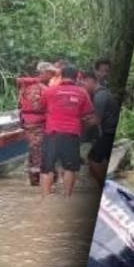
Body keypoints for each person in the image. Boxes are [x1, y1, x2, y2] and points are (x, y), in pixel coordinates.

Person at [42, 65, 96, 197]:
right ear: (77, 77)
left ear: (61, 76)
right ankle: (67, 197)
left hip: (52, 133)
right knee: (70, 167)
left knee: (47, 167)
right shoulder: (82, 92)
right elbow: (88, 113)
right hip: (71, 134)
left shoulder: (50, 91)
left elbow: (42, 107)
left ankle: (45, 199)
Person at [82, 69, 120, 184]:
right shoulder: (102, 94)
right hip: (108, 131)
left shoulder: (100, 96)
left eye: (84, 83)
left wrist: (78, 129)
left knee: (93, 159)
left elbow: (96, 120)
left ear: (91, 81)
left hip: (108, 132)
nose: (83, 86)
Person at [17, 66, 51, 186]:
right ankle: (42, 178)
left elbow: (19, 105)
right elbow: (49, 106)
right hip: (40, 122)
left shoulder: (23, 88)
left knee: (33, 149)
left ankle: (33, 179)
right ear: (39, 75)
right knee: (40, 149)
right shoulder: (44, 89)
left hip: (27, 123)